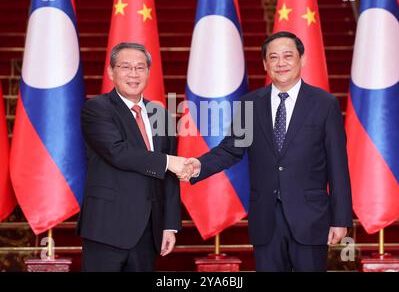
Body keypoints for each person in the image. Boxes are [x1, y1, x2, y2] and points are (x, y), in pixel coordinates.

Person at [184, 31, 353, 271]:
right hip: (266, 219)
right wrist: (197, 165)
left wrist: (341, 219)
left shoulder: (324, 104)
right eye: (273, 58)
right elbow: (231, 149)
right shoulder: (249, 104)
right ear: (265, 63)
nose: (281, 63)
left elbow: (338, 166)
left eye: (288, 56)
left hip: (311, 218)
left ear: (302, 59)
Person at [77, 42, 190, 271]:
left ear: (148, 72)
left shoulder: (161, 114)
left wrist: (169, 225)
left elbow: (169, 177)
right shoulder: (97, 108)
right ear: (111, 71)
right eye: (125, 67)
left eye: (140, 68)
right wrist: (168, 161)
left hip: (148, 231)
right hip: (105, 228)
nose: (133, 74)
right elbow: (117, 152)